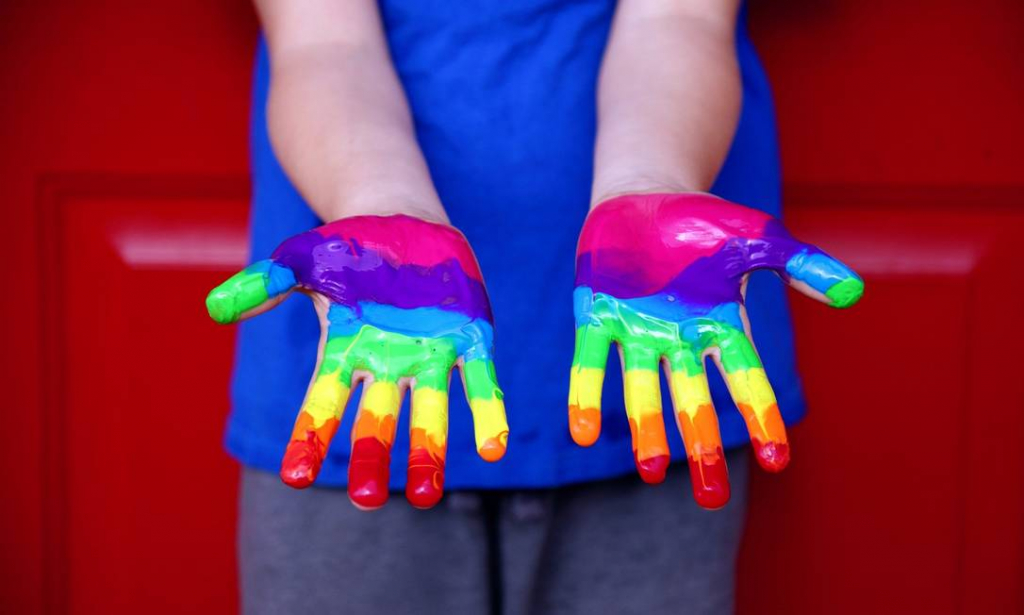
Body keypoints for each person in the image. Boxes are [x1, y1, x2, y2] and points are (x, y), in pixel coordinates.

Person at [209, 1, 861, 613]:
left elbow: (680, 18)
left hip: (660, 349)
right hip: (362, 362)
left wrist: (647, 189)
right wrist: (383, 208)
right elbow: (323, 43)